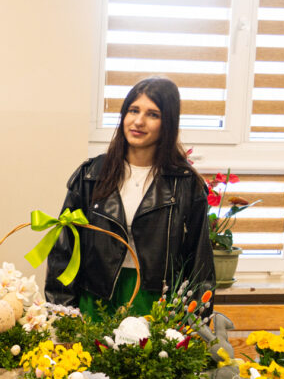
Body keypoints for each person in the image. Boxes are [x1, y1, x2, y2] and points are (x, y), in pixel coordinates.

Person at [45, 76, 214, 315]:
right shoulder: (91, 175)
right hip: (95, 300)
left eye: (152, 114)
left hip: (155, 303)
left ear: (168, 123)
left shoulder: (186, 185)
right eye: (133, 110)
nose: (139, 121)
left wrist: (194, 324)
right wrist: (60, 312)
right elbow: (64, 250)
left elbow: (200, 264)